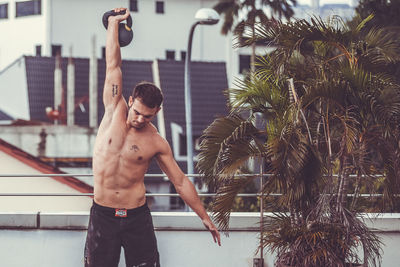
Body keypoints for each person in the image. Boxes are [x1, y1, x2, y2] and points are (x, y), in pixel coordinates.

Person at [84, 7, 221, 267]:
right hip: (103, 215)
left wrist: (203, 215)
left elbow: (180, 181)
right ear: (131, 100)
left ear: (156, 112)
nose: (139, 119)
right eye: (136, 112)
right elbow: (113, 64)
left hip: (136, 217)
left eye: (147, 116)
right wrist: (113, 23)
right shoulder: (114, 109)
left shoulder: (156, 142)